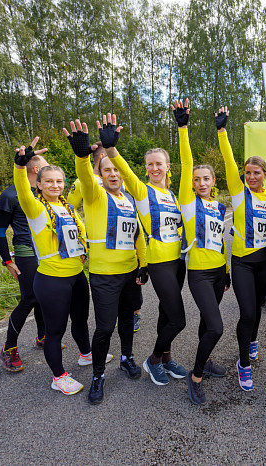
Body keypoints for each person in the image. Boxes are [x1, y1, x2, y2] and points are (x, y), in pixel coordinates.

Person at [64, 116, 148, 405]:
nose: (113, 174)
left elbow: (138, 234)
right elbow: (85, 177)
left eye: (116, 170)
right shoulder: (95, 195)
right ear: (100, 174)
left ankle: (126, 357)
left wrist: (143, 263)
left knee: (127, 318)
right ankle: (98, 374)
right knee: (103, 327)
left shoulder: (127, 199)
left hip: (129, 272)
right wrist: (81, 157)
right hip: (103, 275)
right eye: (107, 170)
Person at [105, 125, 187, 387]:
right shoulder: (142, 192)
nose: (154, 168)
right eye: (149, 165)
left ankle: (166, 358)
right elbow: (127, 174)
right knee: (178, 319)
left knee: (166, 313)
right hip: (160, 262)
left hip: (178, 262)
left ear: (167, 166)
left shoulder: (173, 195)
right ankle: (152, 360)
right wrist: (111, 150)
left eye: (158, 164)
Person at [13, 138, 92, 395]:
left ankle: (86, 354)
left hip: (77, 276)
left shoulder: (67, 206)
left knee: (80, 320)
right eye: (49, 181)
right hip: (52, 279)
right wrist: (20, 167)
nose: (55, 185)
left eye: (59, 181)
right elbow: (22, 191)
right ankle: (58, 377)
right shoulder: (36, 209)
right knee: (55, 331)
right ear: (39, 184)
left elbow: (79, 236)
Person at [172, 99, 229, 405]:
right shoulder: (188, 203)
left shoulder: (218, 207)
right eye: (197, 179)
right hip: (199, 274)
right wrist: (183, 128)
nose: (201, 182)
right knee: (217, 326)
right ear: (191, 184)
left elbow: (221, 241)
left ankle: (205, 360)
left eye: (206, 178)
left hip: (219, 271)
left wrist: (228, 273)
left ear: (213, 182)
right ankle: (195, 377)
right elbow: (185, 161)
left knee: (208, 325)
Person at [216, 105, 266, 392]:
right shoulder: (240, 194)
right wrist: (222, 132)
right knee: (247, 311)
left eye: (256, 173)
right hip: (242, 262)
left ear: (265, 174)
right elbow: (228, 163)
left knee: (257, 311)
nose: (251, 177)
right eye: (247, 173)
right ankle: (243, 363)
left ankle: (252, 339)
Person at [68, 145, 143, 333]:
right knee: (107, 320)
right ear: (101, 157)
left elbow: (135, 221)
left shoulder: (120, 181)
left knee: (130, 292)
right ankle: (114, 315)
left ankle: (133, 313)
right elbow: (69, 207)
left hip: (127, 253)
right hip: (103, 256)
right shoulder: (84, 181)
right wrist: (81, 237)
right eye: (108, 167)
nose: (113, 172)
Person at [0, 154, 49, 372]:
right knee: (30, 298)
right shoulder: (9, 195)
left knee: (43, 296)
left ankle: (43, 336)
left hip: (46, 251)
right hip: (26, 252)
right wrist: (7, 260)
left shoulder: (42, 192)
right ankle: (9, 348)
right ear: (35, 170)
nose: (50, 169)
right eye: (46, 166)